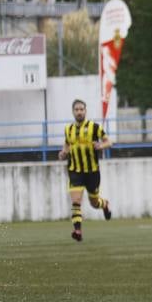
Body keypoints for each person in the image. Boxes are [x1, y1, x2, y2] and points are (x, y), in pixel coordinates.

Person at [58, 99, 113, 242]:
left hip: (92, 172)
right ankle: (78, 231)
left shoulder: (95, 127)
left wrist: (101, 145)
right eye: (76, 109)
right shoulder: (68, 129)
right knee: (76, 201)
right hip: (75, 171)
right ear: (73, 111)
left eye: (82, 109)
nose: (79, 112)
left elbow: (109, 141)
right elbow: (66, 145)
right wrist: (63, 153)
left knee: (94, 203)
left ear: (85, 111)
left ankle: (105, 204)